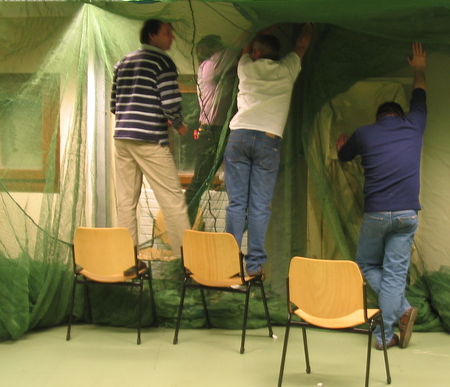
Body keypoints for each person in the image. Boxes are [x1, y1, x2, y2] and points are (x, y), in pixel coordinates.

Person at [336, 42, 427, 350]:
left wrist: (341, 146)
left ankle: (388, 332)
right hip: (406, 215)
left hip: (376, 214)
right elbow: (420, 93)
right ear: (400, 116)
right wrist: (419, 68)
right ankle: (400, 310)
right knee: (393, 275)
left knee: (365, 265)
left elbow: (344, 156)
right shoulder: (414, 125)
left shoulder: (365, 133)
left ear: (378, 118)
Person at [224, 23, 313, 277]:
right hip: (268, 140)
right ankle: (253, 266)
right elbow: (302, 45)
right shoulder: (287, 69)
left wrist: (258, 32)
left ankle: (230, 261)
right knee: (260, 206)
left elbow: (245, 48)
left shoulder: (246, 67)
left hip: (239, 137)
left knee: (237, 203)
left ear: (257, 53)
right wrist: (308, 25)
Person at [111, 19, 191, 259]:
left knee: (126, 201)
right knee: (173, 200)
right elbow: (170, 102)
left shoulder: (122, 63)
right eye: (168, 33)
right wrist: (178, 124)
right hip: (149, 139)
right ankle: (189, 263)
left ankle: (128, 260)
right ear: (152, 35)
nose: (172, 38)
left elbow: (114, 104)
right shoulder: (162, 62)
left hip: (122, 138)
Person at [186, 35, 237, 223]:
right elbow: (235, 49)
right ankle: (185, 227)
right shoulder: (211, 66)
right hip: (211, 133)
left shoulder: (211, 68)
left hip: (221, 130)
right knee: (200, 181)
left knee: (231, 181)